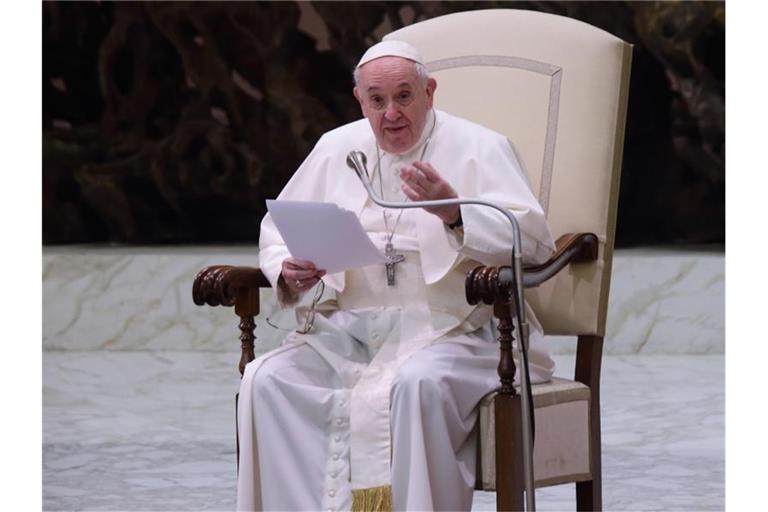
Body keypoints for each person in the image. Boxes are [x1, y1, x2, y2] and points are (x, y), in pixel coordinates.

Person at [236, 40, 556, 512]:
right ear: (359, 101)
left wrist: (456, 214)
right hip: (352, 330)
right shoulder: (335, 148)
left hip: (457, 330)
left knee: (417, 383)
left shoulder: (480, 146)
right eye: (377, 101)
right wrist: (290, 270)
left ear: (429, 92)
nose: (391, 114)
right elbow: (278, 232)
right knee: (266, 379)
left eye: (404, 97)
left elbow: (531, 242)